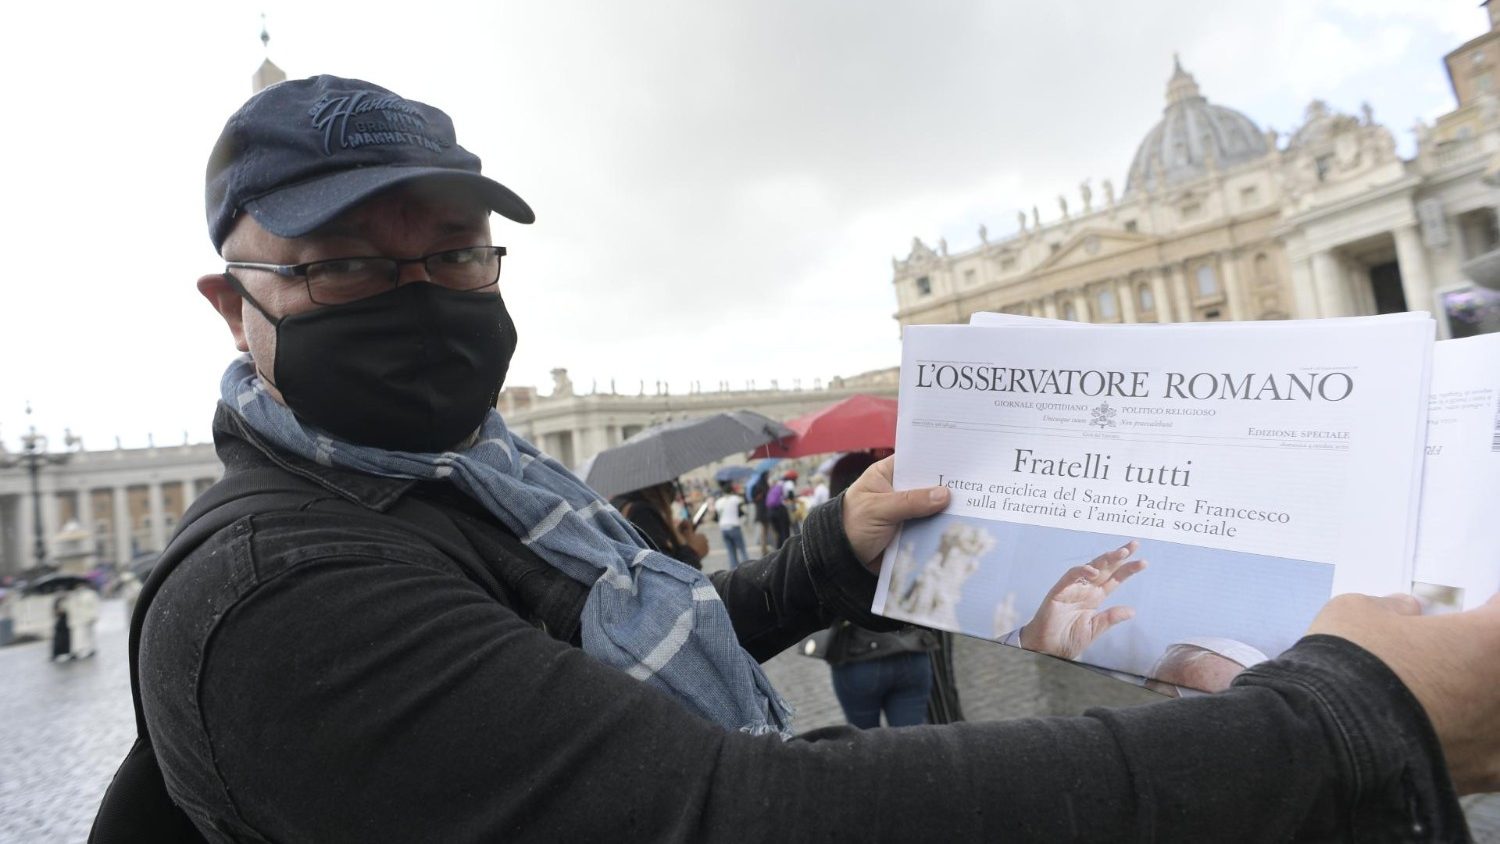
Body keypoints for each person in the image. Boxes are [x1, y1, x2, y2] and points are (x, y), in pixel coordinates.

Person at [127, 75, 1500, 842]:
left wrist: (819, 569)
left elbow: (590, 687)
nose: (420, 292)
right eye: (352, 266)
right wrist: (1347, 721)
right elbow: (728, 817)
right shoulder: (282, 590)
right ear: (232, 299)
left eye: (451, 255)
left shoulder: (471, 474)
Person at [611, 480, 708, 569]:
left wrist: (675, 536)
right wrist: (694, 552)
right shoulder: (642, 512)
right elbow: (669, 574)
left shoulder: (624, 504)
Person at [713, 483, 748, 569]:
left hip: (723, 528)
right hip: (734, 526)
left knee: (731, 552)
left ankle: (733, 570)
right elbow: (743, 502)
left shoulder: (718, 501)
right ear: (732, 491)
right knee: (742, 549)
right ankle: (747, 568)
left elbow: (717, 514)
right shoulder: (735, 499)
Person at [50, 597, 71, 663]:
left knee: (64, 640)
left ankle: (66, 652)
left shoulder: (65, 603)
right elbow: (56, 613)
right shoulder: (57, 604)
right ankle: (56, 653)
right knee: (59, 640)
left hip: (64, 625)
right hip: (61, 626)